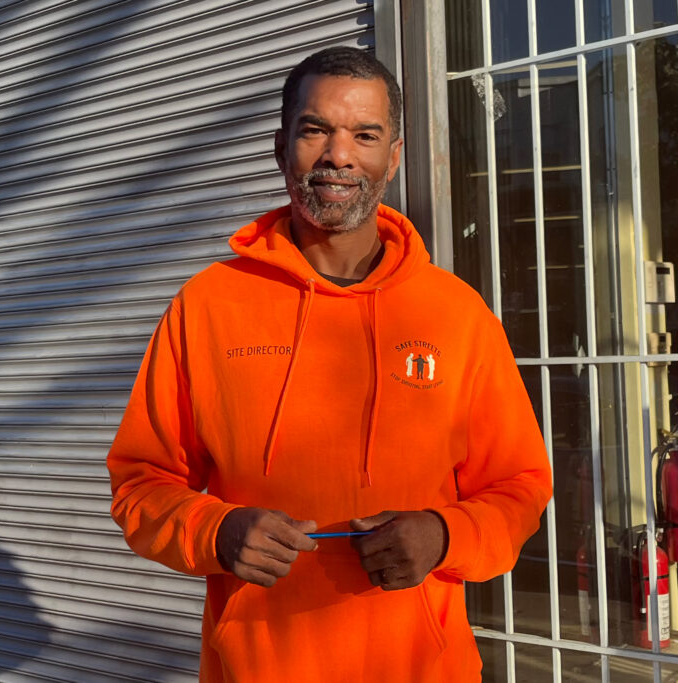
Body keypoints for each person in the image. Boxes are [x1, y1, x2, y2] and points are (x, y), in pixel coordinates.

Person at [106, 46, 552, 682]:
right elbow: (139, 482)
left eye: (364, 135)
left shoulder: (454, 314)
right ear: (281, 147)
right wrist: (217, 530)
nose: (339, 156)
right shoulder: (208, 306)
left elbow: (520, 485)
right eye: (315, 130)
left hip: (424, 669)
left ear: (392, 157)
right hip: (256, 666)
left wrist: (444, 536)